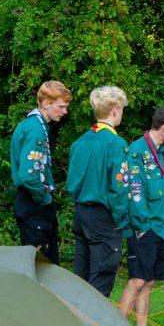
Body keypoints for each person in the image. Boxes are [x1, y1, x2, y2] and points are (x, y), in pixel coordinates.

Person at [119, 105, 164, 326]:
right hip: (144, 228)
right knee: (137, 280)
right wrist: (143, 226)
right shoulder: (136, 152)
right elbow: (134, 193)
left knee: (149, 280)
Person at [66, 85, 130, 297]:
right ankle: (95, 319)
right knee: (101, 276)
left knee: (81, 276)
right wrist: (120, 219)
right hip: (104, 216)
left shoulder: (79, 142)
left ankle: (76, 316)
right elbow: (119, 187)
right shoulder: (116, 143)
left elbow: (72, 182)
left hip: (81, 213)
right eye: (122, 109)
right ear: (115, 110)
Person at [9, 80, 70, 264]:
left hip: (33, 202)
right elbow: (28, 176)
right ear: (46, 103)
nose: (65, 112)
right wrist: (45, 198)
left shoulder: (35, 125)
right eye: (61, 106)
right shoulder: (35, 130)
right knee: (41, 268)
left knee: (44, 266)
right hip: (34, 203)